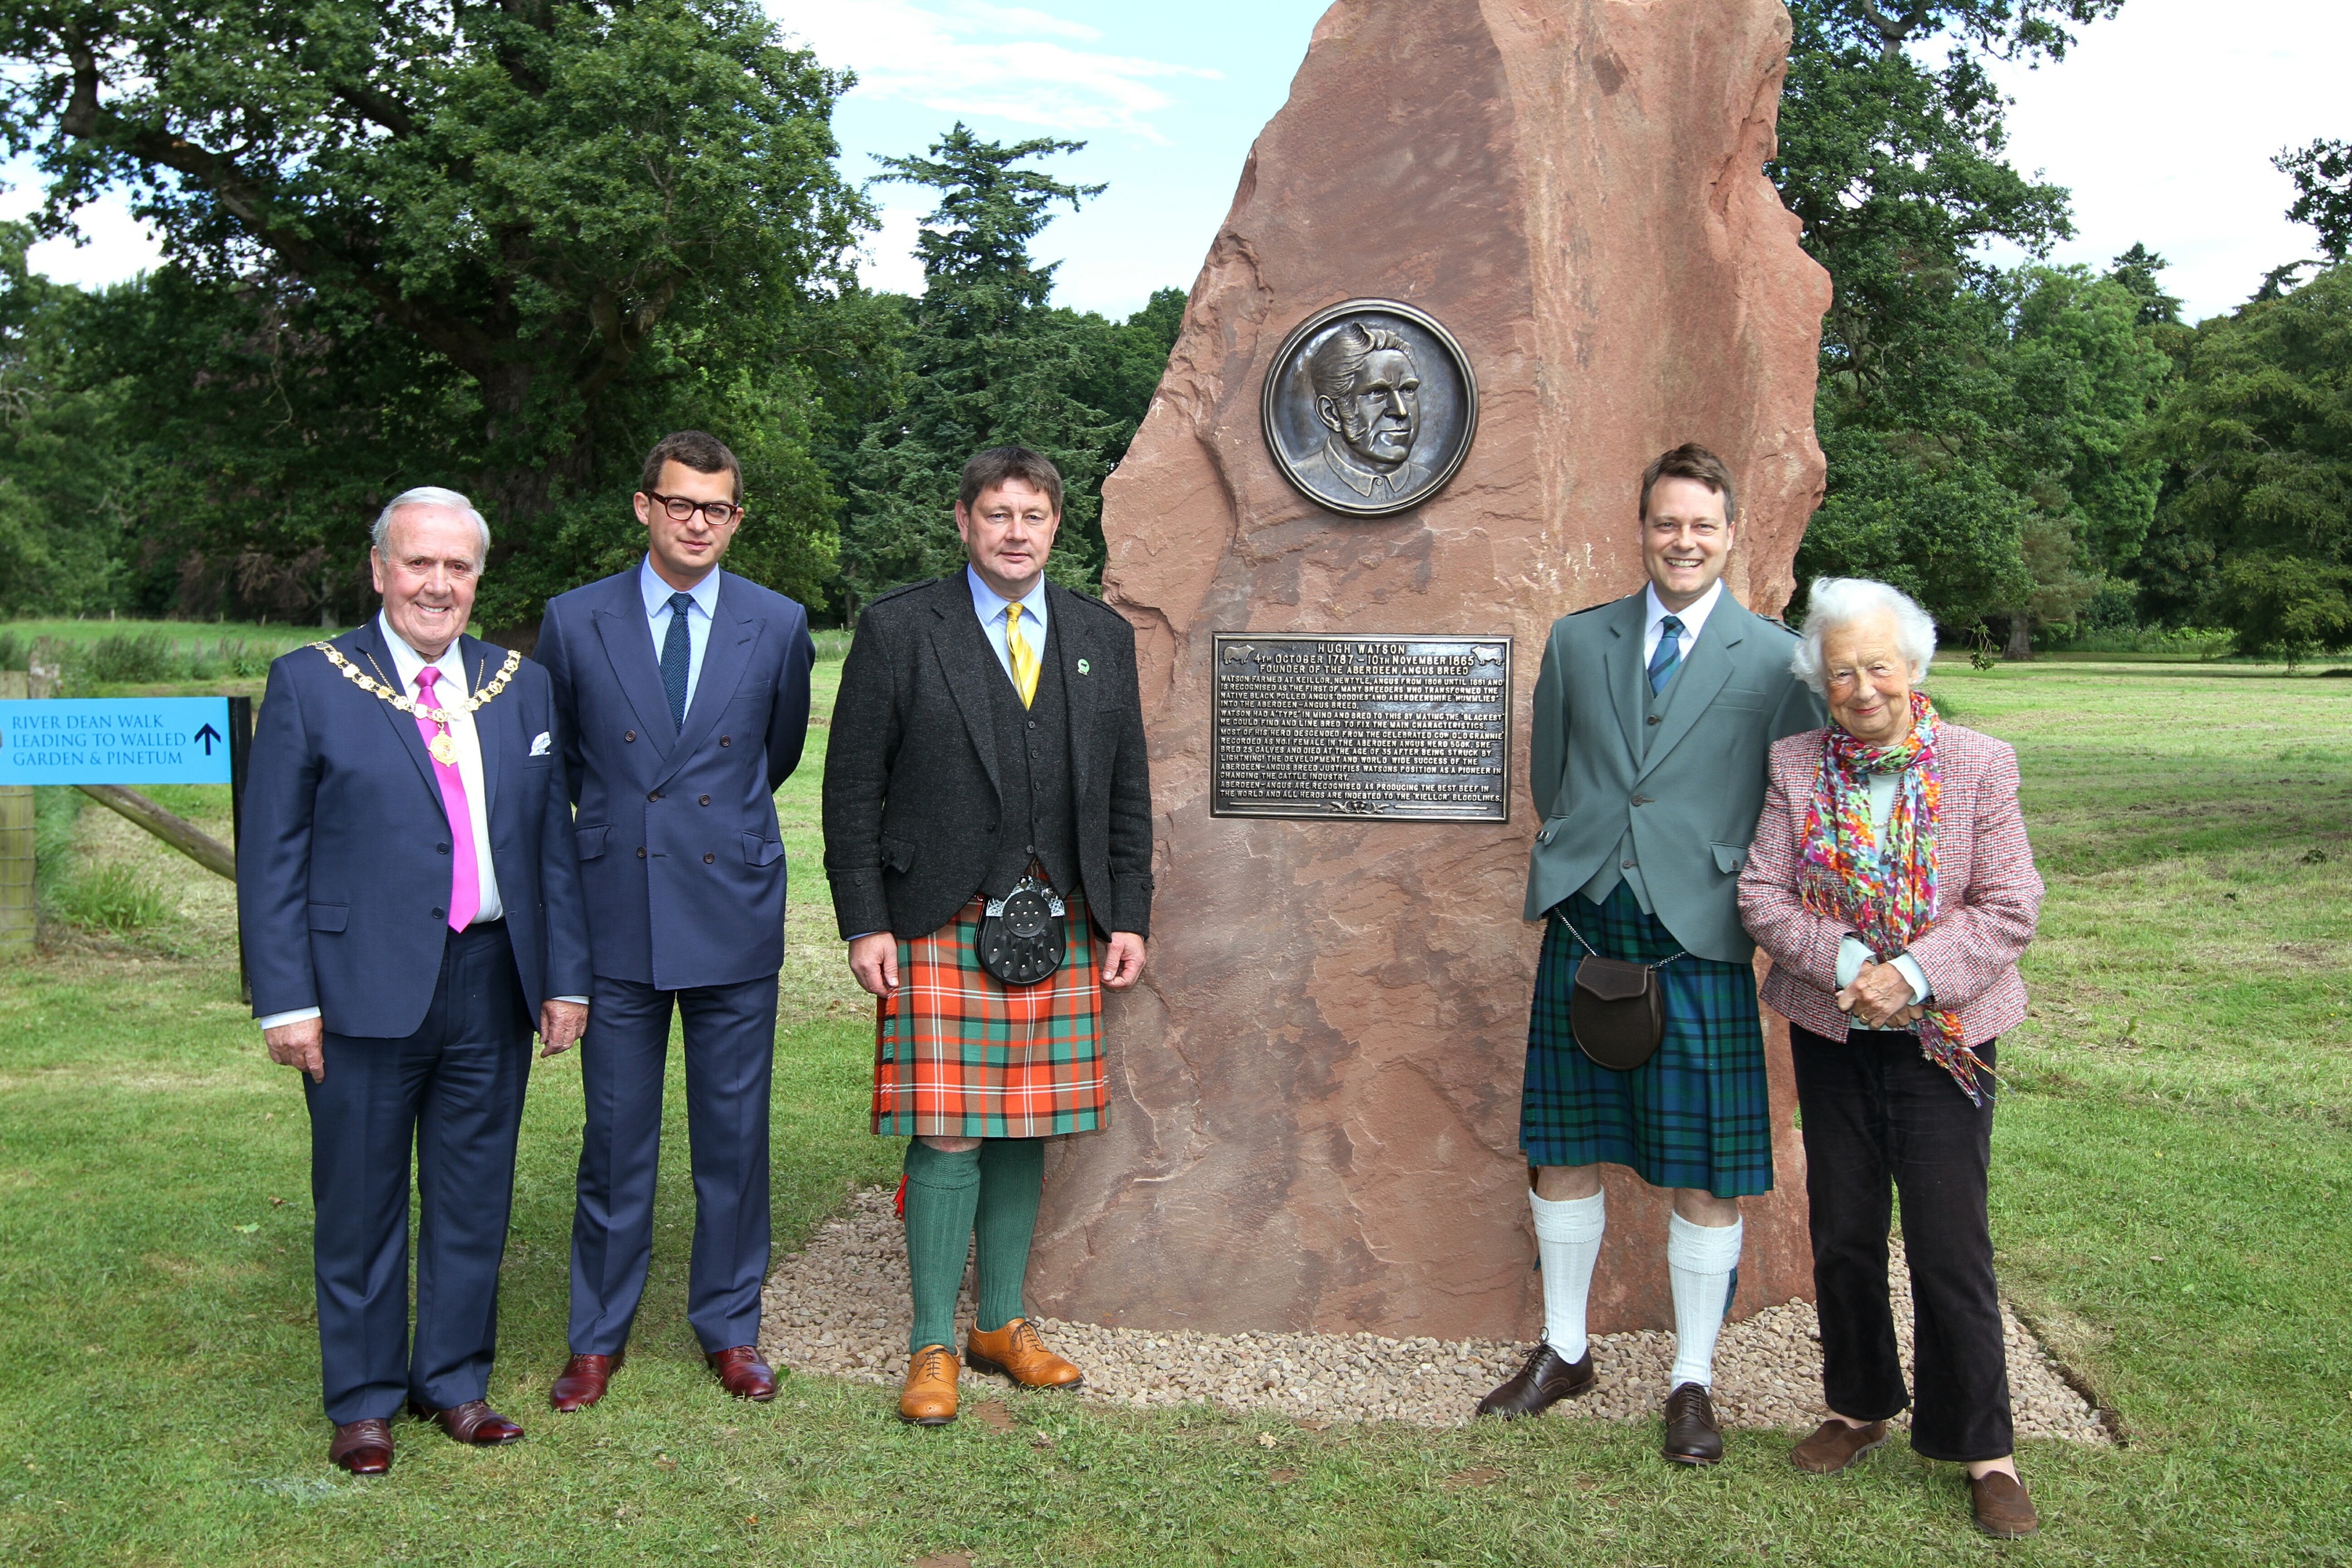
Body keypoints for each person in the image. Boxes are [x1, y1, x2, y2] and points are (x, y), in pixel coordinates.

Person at [1477, 444, 1825, 1466]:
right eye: (1667, 523)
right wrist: (1597, 857)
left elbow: (1790, 805)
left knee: (1705, 1169)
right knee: (1563, 1146)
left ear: (1730, 535)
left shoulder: (1773, 660)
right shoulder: (1582, 642)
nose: (1683, 540)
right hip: (1590, 919)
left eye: (1702, 526)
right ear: (1643, 528)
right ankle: (1566, 1347)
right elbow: (1555, 774)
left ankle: (1692, 1378)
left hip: (1703, 931)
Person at [240, 486, 592, 1476]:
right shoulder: (313, 681)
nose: (439, 585)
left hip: (491, 977)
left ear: (478, 578)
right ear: (381, 569)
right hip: (357, 986)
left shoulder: (519, 684)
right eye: (420, 563)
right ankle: (361, 1400)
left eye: (459, 567)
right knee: (359, 1198)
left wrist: (566, 978)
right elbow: (273, 855)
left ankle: (452, 1382)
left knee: (476, 1194)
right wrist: (286, 998)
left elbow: (547, 848)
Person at [822, 445, 1152, 1426]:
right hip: (938, 914)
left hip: (1063, 919)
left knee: (1031, 1122)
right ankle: (932, 1340)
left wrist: (1128, 909)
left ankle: (1000, 1324)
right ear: (962, 520)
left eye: (1034, 515)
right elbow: (850, 790)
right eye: (997, 514)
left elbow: (1128, 789)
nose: (1016, 532)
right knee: (951, 1123)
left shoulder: (1101, 636)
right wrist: (864, 920)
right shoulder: (898, 629)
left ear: (1058, 527)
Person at [1737, 577, 2045, 1539]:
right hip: (1833, 1032)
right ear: (1818, 682)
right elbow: (1762, 895)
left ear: (1914, 668)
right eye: (1841, 672)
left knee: (1951, 1241)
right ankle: (1859, 1405)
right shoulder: (1795, 765)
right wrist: (1847, 964)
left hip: (1944, 1038)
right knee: (1845, 1227)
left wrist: (1909, 974)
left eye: (1879, 666)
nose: (1862, 687)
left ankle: (1982, 1447)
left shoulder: (1981, 765)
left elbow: (2008, 906)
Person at [534, 431, 816, 1410]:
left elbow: (766, 759)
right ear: (644, 506)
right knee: (615, 1137)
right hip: (617, 906)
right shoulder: (573, 623)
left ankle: (730, 1328)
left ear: (736, 519)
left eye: (720, 508)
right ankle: (596, 1337)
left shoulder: (778, 624)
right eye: (683, 503)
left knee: (733, 1136)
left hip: (730, 904)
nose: (700, 523)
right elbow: (563, 769)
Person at [1310, 322, 1430, 503]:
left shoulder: (1426, 480)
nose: (1401, 411)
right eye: (1377, 393)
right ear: (1331, 413)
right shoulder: (1310, 478)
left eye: (1408, 390)